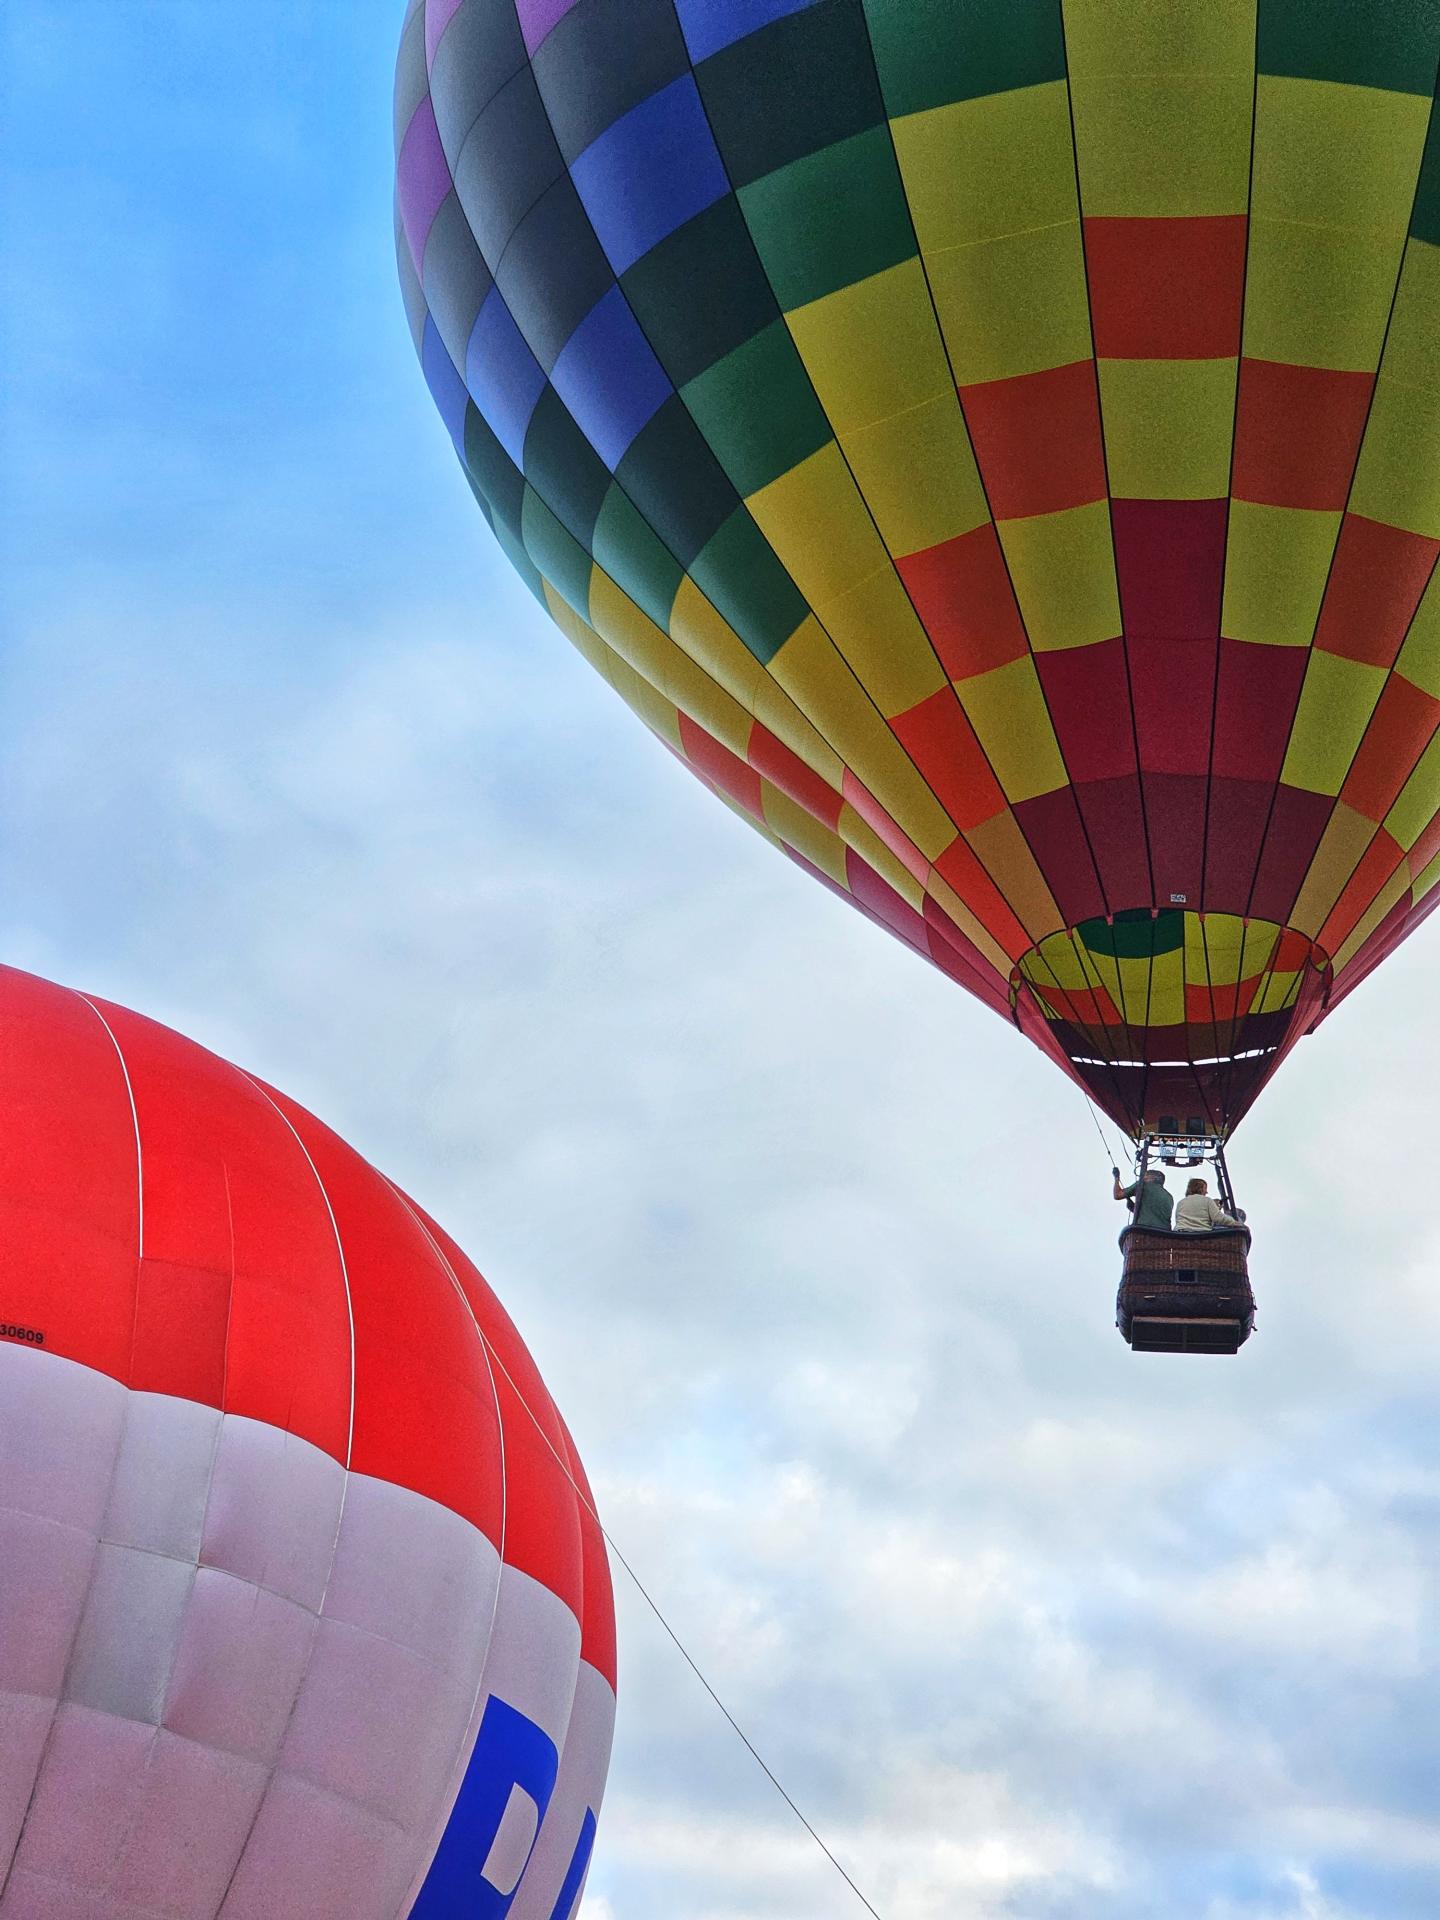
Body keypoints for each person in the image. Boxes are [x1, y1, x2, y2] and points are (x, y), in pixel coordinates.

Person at [1113, 1165, 1172, 1231]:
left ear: (1153, 1177)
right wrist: (1134, 1208)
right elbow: (1153, 1213)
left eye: (1146, 1176)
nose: (1143, 1178)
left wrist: (1116, 1177)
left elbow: (1117, 1195)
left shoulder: (1142, 1184)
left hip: (1143, 1231)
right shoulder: (1169, 1197)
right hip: (1164, 1234)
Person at [1174, 1176, 1241, 1232]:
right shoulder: (1207, 1200)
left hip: (1181, 1232)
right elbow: (1218, 1218)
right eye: (1205, 1188)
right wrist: (1235, 1223)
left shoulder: (1180, 1202)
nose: (1207, 1192)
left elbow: (1180, 1219)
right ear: (1200, 1189)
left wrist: (1215, 1207)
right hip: (1201, 1233)